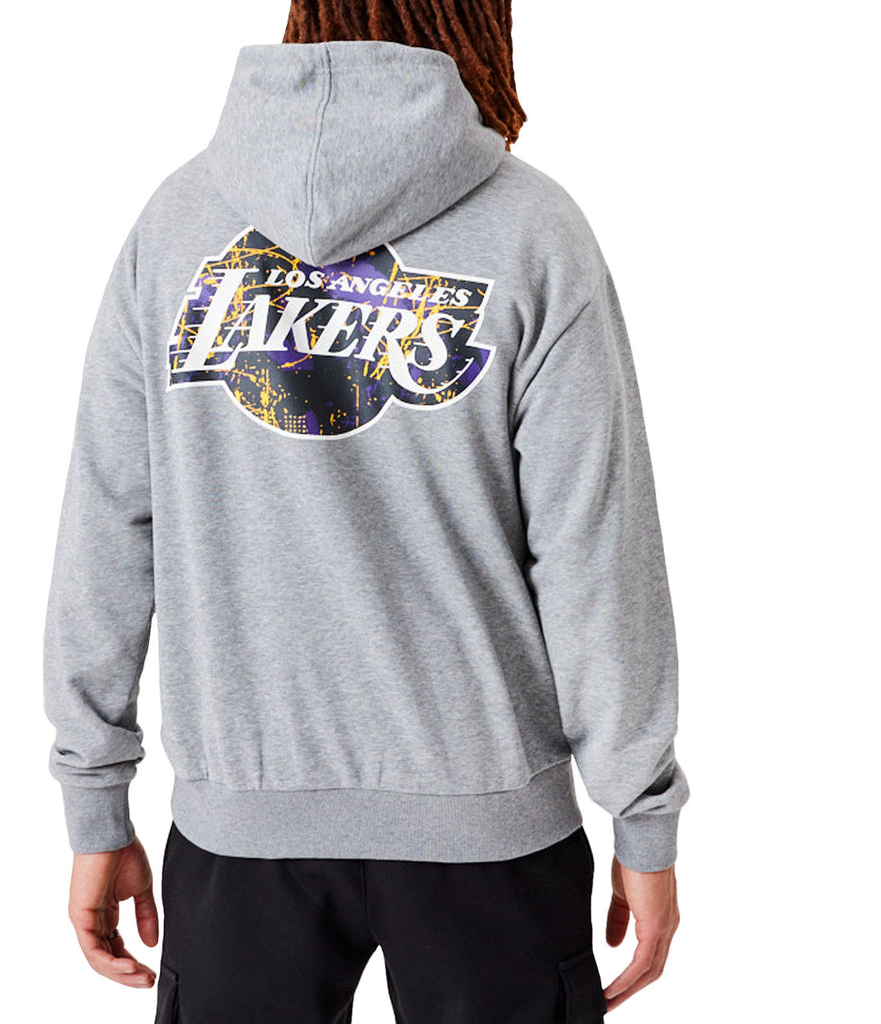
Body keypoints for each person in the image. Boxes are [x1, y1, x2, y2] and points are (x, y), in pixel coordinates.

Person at [42, 2, 690, 1021]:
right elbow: (592, 551)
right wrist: (641, 816)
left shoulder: (176, 225)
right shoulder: (533, 231)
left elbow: (108, 528)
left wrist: (95, 801)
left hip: (239, 834)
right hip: (490, 835)